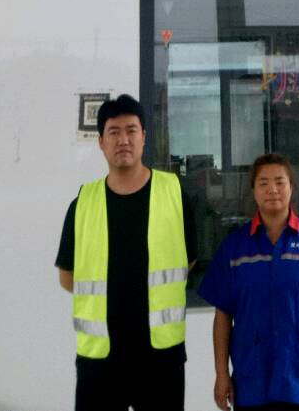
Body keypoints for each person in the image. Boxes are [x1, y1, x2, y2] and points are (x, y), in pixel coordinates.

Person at [56, 93, 197, 411]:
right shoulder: (82, 203)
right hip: (100, 361)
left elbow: (188, 261)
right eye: (114, 132)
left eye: (131, 130)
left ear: (144, 136)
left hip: (161, 358)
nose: (123, 140)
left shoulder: (174, 194)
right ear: (101, 142)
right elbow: (67, 276)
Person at [200, 153, 299, 411]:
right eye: (263, 183)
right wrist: (222, 374)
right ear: (253, 190)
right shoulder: (235, 248)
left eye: (280, 182)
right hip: (251, 384)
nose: (272, 189)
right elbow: (223, 315)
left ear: (291, 187)